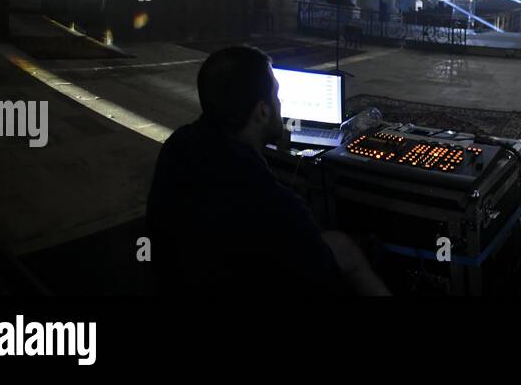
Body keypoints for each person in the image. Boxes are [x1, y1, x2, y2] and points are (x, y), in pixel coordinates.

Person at [145, 45, 387, 295]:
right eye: (276, 95)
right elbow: (316, 270)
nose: (280, 103)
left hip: (179, 278)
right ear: (262, 110)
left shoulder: (179, 143)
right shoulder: (277, 205)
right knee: (347, 250)